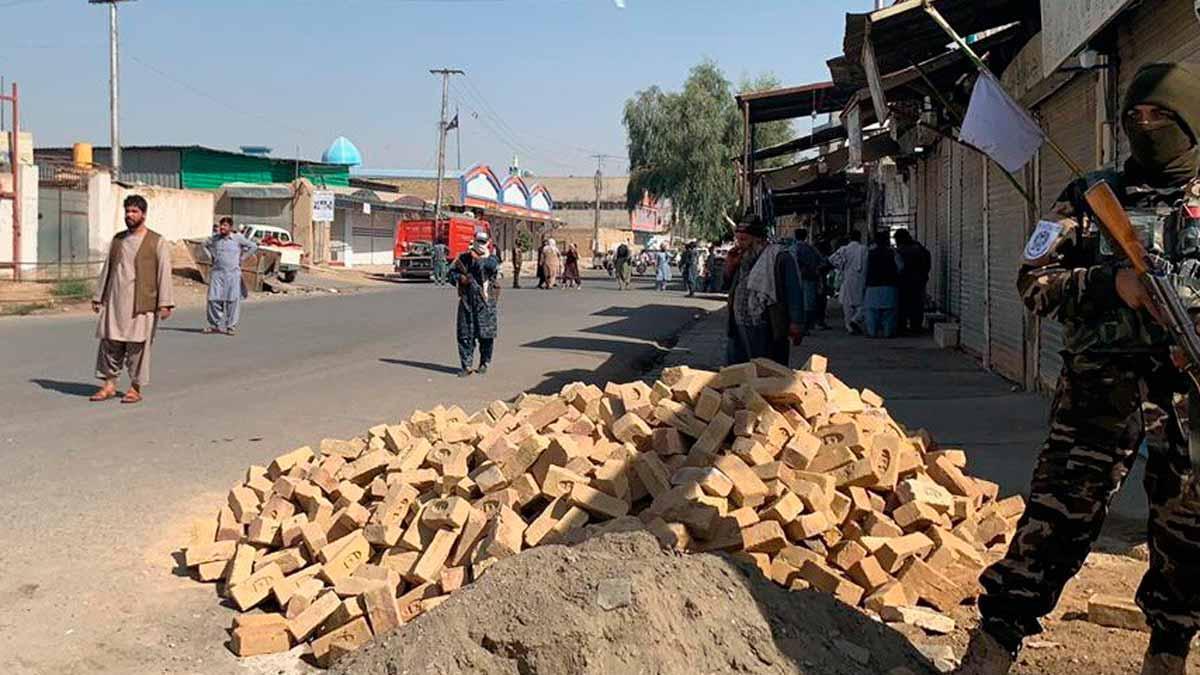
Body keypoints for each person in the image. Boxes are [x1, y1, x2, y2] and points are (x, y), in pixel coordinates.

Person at [959, 62, 1200, 675]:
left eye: (1162, 117)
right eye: (1136, 117)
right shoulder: (1091, 196)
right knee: (1055, 522)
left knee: (1188, 536)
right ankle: (991, 650)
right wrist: (1106, 282)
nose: (1146, 128)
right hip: (1098, 395)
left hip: (1187, 399)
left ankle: (1167, 655)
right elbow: (1032, 283)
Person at [89, 195, 174, 404]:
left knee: (137, 348)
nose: (130, 215)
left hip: (142, 304)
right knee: (110, 343)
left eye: (134, 211)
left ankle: (135, 388)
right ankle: (109, 385)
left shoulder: (157, 241)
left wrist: (165, 303)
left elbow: (164, 272)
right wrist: (98, 296)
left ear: (143, 214)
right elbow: (107, 269)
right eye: (127, 211)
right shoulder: (118, 240)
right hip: (115, 302)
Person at [723, 216, 806, 366]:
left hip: (767, 326)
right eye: (738, 240)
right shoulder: (742, 257)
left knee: (766, 372)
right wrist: (729, 266)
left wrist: (796, 322)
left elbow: (794, 291)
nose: (739, 245)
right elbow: (728, 285)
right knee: (737, 373)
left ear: (758, 239)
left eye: (744, 240)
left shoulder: (780, 257)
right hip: (739, 324)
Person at [449, 231, 500, 377]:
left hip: (485, 303)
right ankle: (466, 366)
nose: (480, 244)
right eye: (478, 241)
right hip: (467, 301)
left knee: (486, 336)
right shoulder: (464, 258)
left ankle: (484, 362)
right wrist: (461, 278)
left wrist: (480, 258)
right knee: (465, 334)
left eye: (483, 242)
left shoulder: (492, 259)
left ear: (488, 243)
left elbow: (490, 268)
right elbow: (451, 274)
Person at [203, 217, 258, 335]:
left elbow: (253, 246)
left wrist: (242, 258)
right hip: (217, 274)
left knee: (232, 300)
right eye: (221, 225)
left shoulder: (238, 238)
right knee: (213, 299)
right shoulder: (215, 239)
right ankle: (214, 325)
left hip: (233, 275)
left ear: (230, 227)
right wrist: (211, 257)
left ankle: (230, 326)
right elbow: (204, 245)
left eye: (225, 225)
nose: (222, 228)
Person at [862, 230, 900, 338]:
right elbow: (900, 267)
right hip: (890, 286)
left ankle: (872, 332)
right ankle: (888, 333)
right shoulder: (893, 253)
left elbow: (864, 271)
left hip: (872, 287)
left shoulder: (869, 253)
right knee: (889, 314)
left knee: (871, 313)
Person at [894, 229, 931, 334]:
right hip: (919, 282)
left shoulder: (900, 251)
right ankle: (916, 327)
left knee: (902, 306)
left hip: (904, 283)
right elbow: (927, 264)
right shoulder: (921, 249)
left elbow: (897, 268)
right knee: (917, 305)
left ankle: (902, 327)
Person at [829, 230, 867, 333]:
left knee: (847, 305)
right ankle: (855, 320)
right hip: (861, 278)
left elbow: (832, 259)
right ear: (860, 237)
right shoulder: (864, 249)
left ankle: (849, 326)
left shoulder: (844, 249)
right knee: (862, 303)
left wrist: (841, 266)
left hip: (847, 278)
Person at [793, 228, 830, 330]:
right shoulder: (811, 248)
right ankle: (808, 325)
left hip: (797, 279)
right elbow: (822, 262)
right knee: (809, 303)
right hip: (810, 278)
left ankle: (803, 325)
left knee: (799, 303)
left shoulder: (793, 249)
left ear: (795, 236)